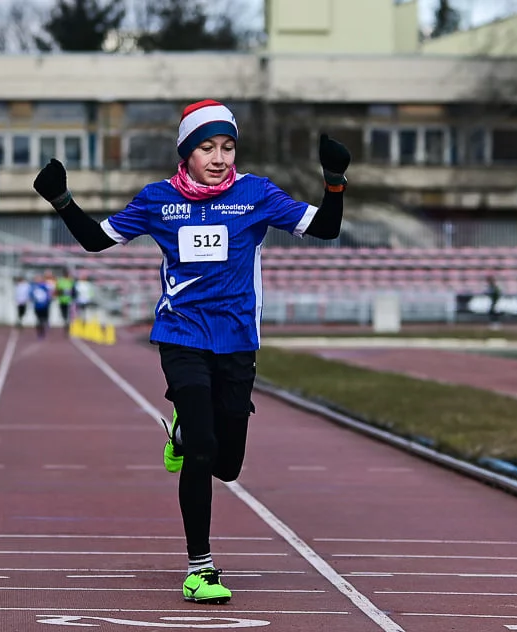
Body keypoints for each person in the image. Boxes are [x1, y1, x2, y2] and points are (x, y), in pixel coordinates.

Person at [33, 99, 350, 604]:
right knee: (202, 449)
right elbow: (96, 241)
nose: (219, 157)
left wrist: (334, 179)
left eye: (227, 147)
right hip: (181, 335)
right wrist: (62, 199)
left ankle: (183, 430)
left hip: (238, 340)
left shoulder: (256, 195)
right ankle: (200, 567)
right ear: (187, 153)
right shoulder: (159, 200)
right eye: (207, 147)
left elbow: (328, 228)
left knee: (228, 464)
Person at [30, 273, 52, 339]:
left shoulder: (45, 286)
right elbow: (31, 296)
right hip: (37, 306)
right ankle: (40, 333)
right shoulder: (33, 287)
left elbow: (49, 294)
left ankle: (43, 330)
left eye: (39, 278)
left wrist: (48, 301)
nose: (37, 280)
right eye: (36, 279)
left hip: (44, 306)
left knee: (43, 319)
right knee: (38, 320)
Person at [55, 269, 76, 334]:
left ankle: (68, 324)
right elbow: (58, 291)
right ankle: (66, 322)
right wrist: (63, 292)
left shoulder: (71, 281)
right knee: (63, 313)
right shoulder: (60, 281)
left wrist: (73, 296)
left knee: (69, 313)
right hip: (62, 300)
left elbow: (73, 290)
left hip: (69, 300)